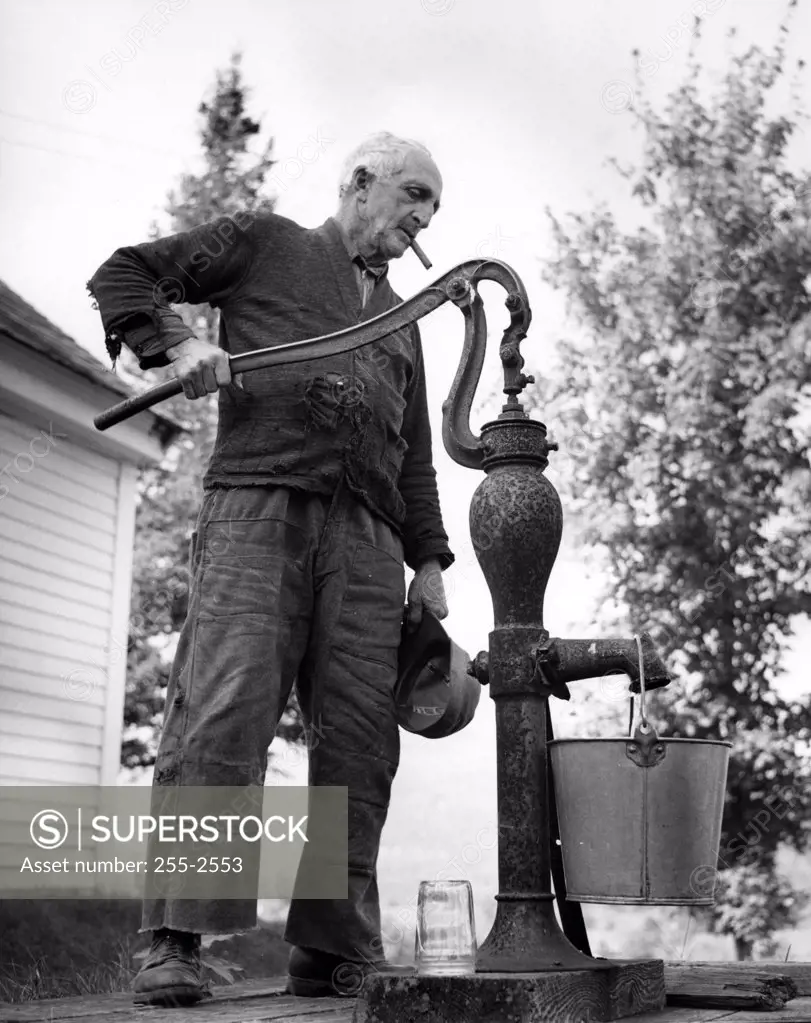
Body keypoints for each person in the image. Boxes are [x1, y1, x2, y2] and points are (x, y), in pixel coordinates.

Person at [87, 131, 453, 1006]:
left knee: (362, 740)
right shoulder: (265, 242)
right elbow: (125, 272)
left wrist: (430, 562)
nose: (420, 218)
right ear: (358, 184)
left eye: (432, 209)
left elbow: (414, 459)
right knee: (224, 710)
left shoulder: (403, 321)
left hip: (367, 539)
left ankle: (330, 947)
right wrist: (177, 347)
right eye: (411, 194)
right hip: (258, 508)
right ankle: (173, 939)